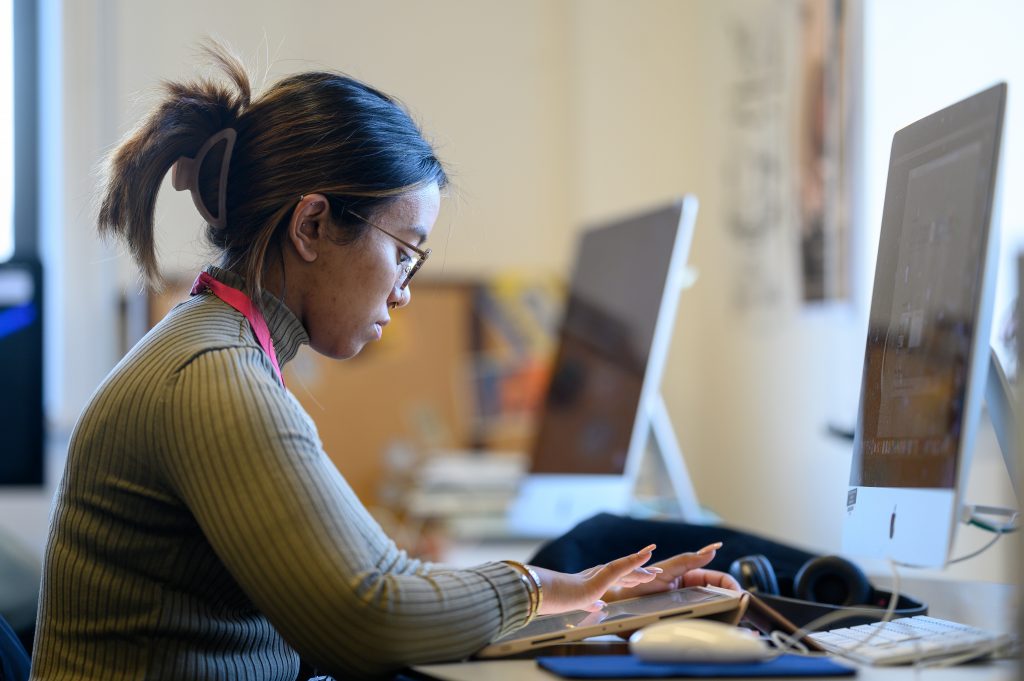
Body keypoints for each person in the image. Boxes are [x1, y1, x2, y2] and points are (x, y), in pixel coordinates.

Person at [30, 44, 739, 681]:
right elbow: (367, 615)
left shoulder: (219, 348)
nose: (403, 291)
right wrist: (542, 588)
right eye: (403, 251)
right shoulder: (214, 376)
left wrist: (568, 592)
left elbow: (364, 583)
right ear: (312, 226)